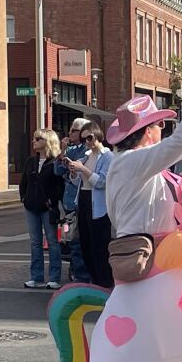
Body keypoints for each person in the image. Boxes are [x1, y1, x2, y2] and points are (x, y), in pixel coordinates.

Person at [104, 71, 182, 321]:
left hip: (139, 250)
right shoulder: (134, 161)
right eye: (160, 125)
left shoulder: (130, 164)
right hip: (149, 252)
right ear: (148, 132)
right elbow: (181, 142)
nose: (162, 129)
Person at [67, 122, 114, 288]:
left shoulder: (108, 156)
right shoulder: (85, 156)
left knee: (99, 247)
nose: (87, 142)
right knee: (85, 245)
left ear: (97, 135)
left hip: (99, 206)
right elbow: (76, 182)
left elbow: (101, 182)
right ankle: (94, 281)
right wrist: (74, 172)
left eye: (89, 137)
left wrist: (83, 169)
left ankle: (104, 283)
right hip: (84, 200)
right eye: (83, 139)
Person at [20, 129, 65, 290]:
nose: (34, 141)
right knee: (35, 242)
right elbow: (23, 182)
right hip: (31, 206)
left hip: (48, 207)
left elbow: (60, 185)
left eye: (37, 139)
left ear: (47, 141)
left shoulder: (55, 162)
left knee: (53, 241)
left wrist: (53, 201)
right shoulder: (31, 161)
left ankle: (54, 277)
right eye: (34, 138)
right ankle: (36, 276)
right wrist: (24, 198)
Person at [54, 118, 90, 282]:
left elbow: (75, 171)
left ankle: (81, 272)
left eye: (74, 131)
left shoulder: (85, 150)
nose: (69, 134)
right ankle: (75, 268)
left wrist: (68, 172)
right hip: (68, 201)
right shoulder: (70, 149)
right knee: (69, 237)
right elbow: (58, 169)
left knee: (79, 240)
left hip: (81, 199)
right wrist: (63, 150)